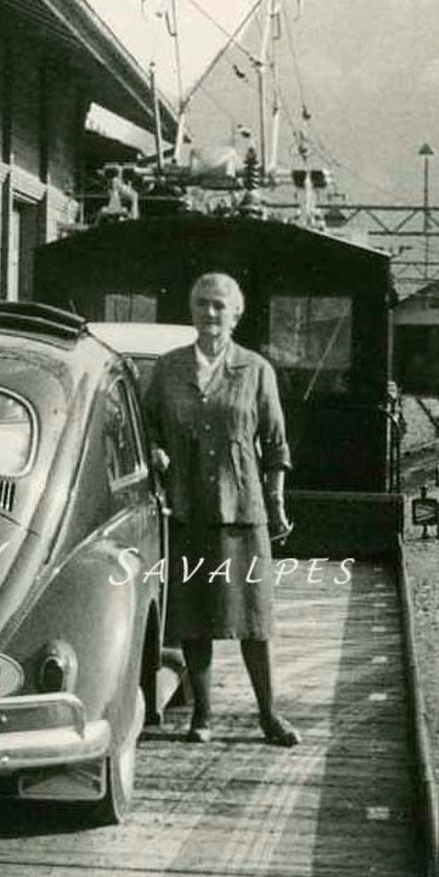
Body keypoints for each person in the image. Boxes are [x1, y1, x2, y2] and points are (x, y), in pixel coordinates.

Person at [142, 271, 301, 747]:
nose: (209, 314)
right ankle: (202, 715)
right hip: (187, 510)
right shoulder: (168, 369)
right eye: (201, 304)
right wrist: (155, 451)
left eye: (218, 305)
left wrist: (275, 501)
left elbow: (275, 445)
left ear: (236, 314)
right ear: (191, 311)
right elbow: (147, 426)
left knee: (254, 620)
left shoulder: (256, 370)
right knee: (193, 617)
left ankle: (269, 715)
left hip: (242, 513)